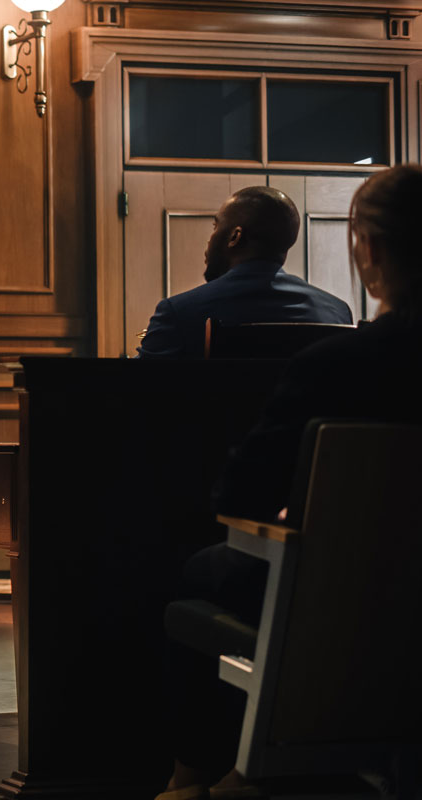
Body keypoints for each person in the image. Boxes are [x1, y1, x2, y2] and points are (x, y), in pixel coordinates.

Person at [157, 164, 422, 800]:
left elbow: (238, 499)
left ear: (372, 248)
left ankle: (195, 777)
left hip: (347, 593)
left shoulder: (339, 366)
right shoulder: (332, 318)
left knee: (203, 571)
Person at [137, 186, 353, 358]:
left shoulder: (178, 313)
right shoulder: (337, 314)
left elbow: (137, 395)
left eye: (215, 227)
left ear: (235, 237)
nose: (210, 238)